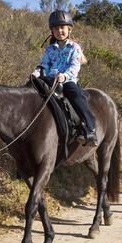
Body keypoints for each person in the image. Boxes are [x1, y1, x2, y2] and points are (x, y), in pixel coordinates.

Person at [31, 10, 97, 146]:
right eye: (56, 28)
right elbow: (44, 65)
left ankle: (90, 129)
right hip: (49, 80)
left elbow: (74, 66)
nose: (59, 31)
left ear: (69, 29)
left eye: (62, 28)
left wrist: (64, 76)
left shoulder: (74, 47)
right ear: (52, 31)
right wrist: (36, 73)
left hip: (67, 81)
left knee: (77, 95)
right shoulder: (50, 49)